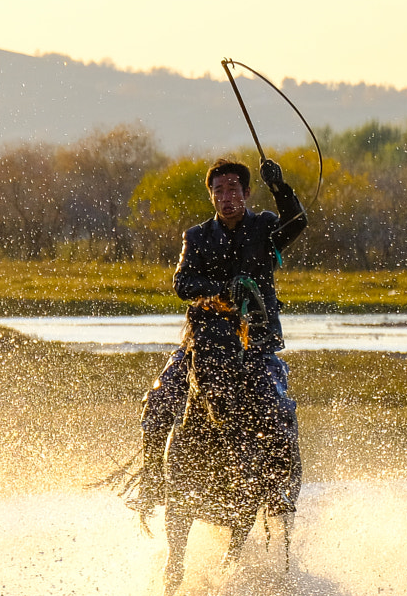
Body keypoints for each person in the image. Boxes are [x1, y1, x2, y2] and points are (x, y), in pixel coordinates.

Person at [125, 157, 307, 513]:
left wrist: (281, 188)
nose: (226, 197)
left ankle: (275, 489)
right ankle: (150, 482)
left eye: (233, 189)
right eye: (219, 190)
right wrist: (224, 292)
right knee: (159, 402)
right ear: (211, 196)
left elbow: (298, 222)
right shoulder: (196, 237)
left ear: (247, 192)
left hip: (254, 345)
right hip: (203, 344)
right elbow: (182, 284)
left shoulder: (266, 228)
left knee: (273, 412)